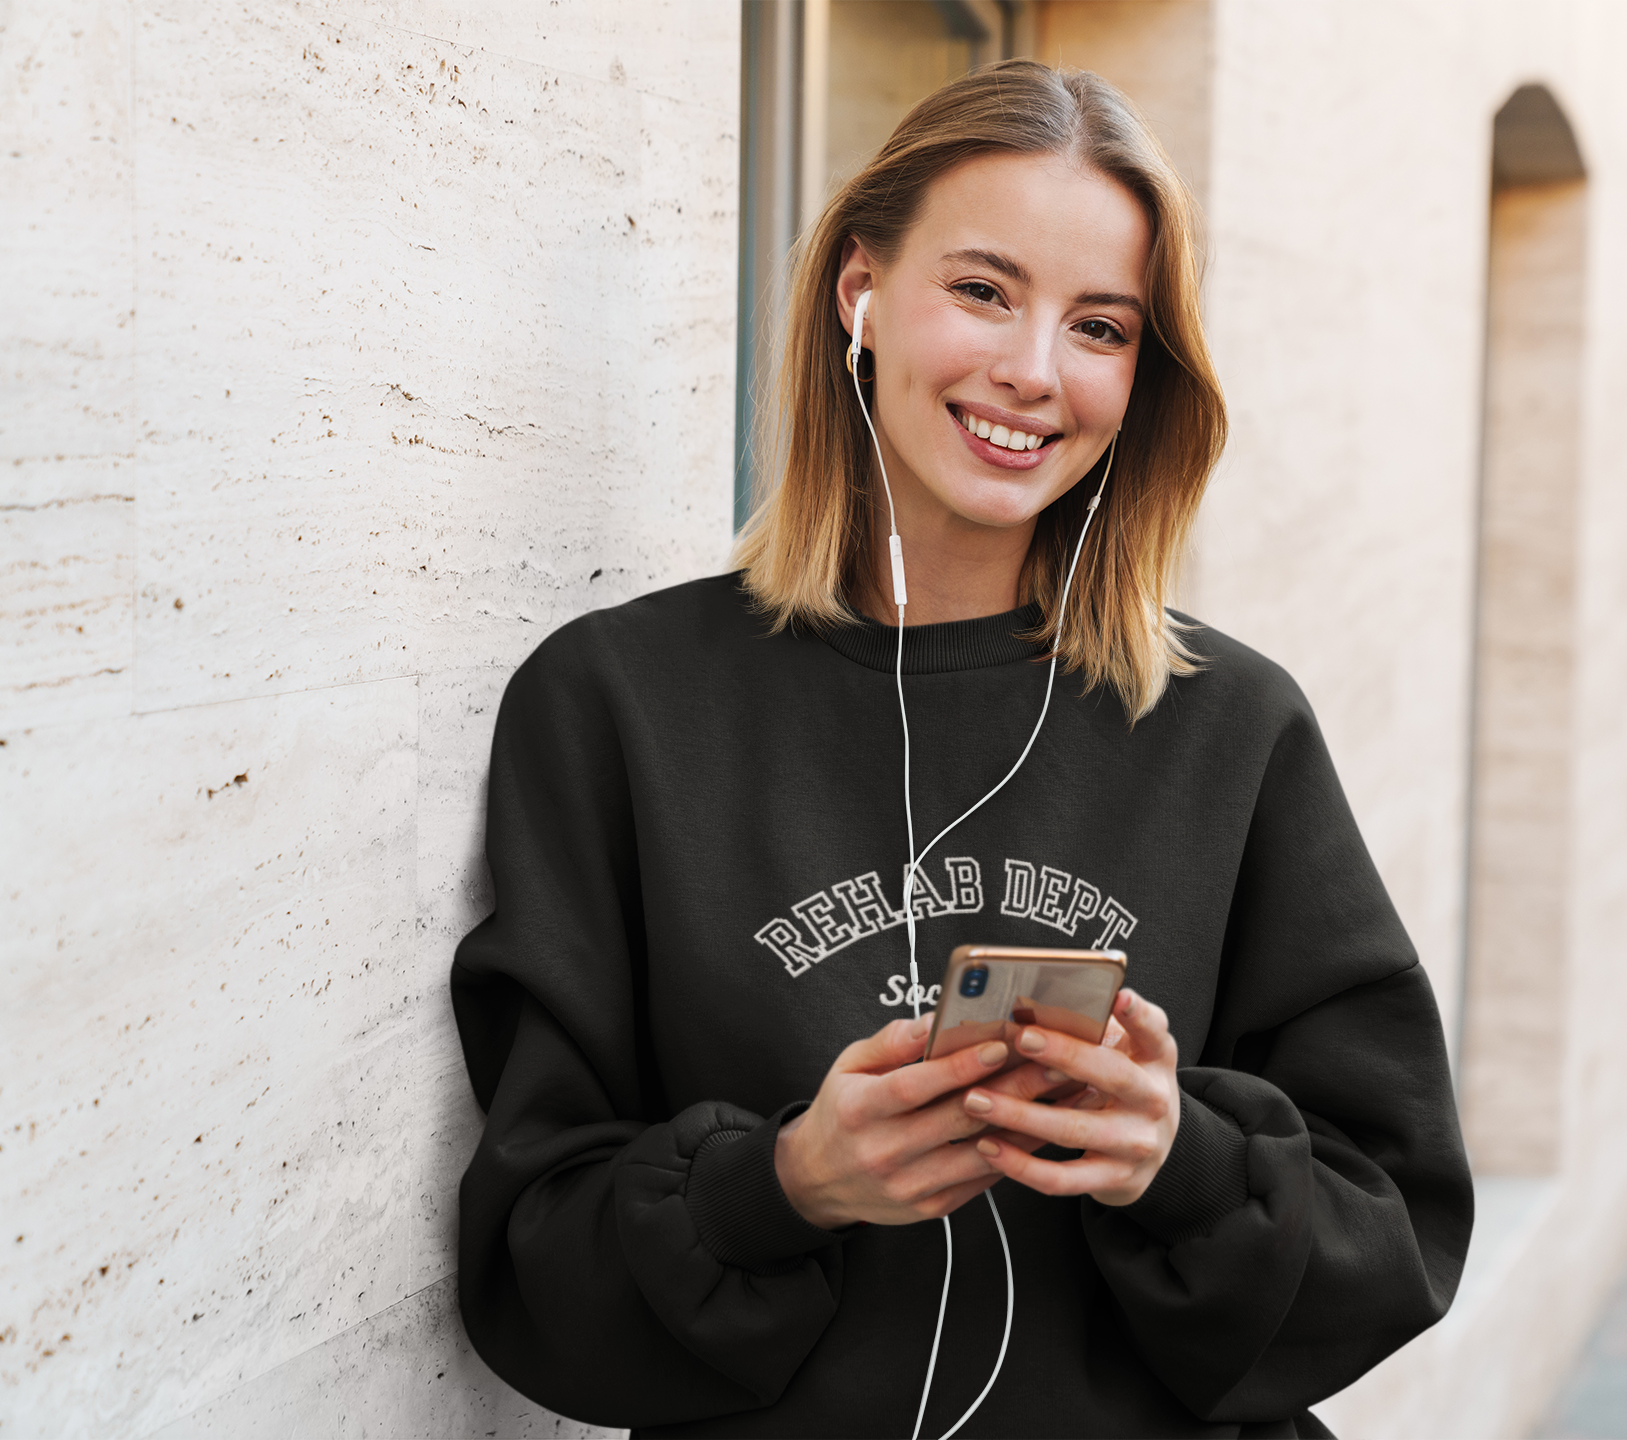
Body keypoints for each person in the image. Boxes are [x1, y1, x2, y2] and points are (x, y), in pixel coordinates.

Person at [451, 59, 1472, 1440]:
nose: (1034, 372)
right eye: (984, 290)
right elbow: (530, 1268)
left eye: (1102, 327)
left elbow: (1397, 1229)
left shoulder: (1233, 726)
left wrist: (1173, 1157)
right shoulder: (617, 704)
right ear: (859, 291)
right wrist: (790, 1182)